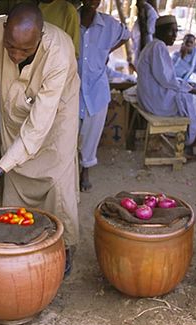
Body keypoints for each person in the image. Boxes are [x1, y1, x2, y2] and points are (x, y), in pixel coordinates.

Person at [0, 4, 80, 276]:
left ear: (40, 37)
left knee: (57, 187)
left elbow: (39, 126)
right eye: (10, 47)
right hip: (14, 121)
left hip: (54, 123)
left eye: (25, 51)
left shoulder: (58, 52)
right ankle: (20, 246)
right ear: (4, 31)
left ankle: (63, 249)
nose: (15, 55)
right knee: (16, 180)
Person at [136, 15, 196, 173]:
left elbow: (167, 78)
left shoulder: (151, 46)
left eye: (176, 31)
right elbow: (167, 80)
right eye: (172, 31)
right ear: (161, 31)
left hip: (153, 100)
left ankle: (190, 146)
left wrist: (192, 89)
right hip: (161, 103)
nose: (175, 36)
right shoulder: (158, 47)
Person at [78, 0, 130, 192]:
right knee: (71, 132)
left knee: (91, 132)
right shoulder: (71, 19)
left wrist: (109, 49)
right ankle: (71, 169)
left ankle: (85, 170)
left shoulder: (109, 24)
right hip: (72, 88)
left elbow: (127, 35)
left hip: (96, 89)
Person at [0, 0, 80, 57]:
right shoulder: (18, 2)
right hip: (13, 64)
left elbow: (72, 53)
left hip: (47, 70)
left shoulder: (68, 11)